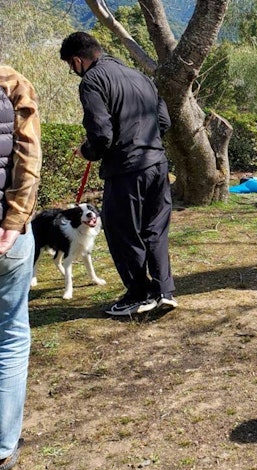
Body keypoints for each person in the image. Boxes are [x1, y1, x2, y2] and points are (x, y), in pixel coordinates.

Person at [60, 32, 178, 316]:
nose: (73, 71)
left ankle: (138, 294)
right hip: (157, 163)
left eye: (70, 66)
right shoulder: (140, 77)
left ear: (77, 60)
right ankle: (164, 290)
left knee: (122, 231)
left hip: (126, 169)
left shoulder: (92, 81)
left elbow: (101, 135)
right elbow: (164, 121)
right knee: (154, 230)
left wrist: (86, 151)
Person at [0, 65, 41, 470]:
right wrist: (14, 221)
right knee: (10, 334)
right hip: (7, 241)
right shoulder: (10, 82)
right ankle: (3, 444)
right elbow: (27, 158)